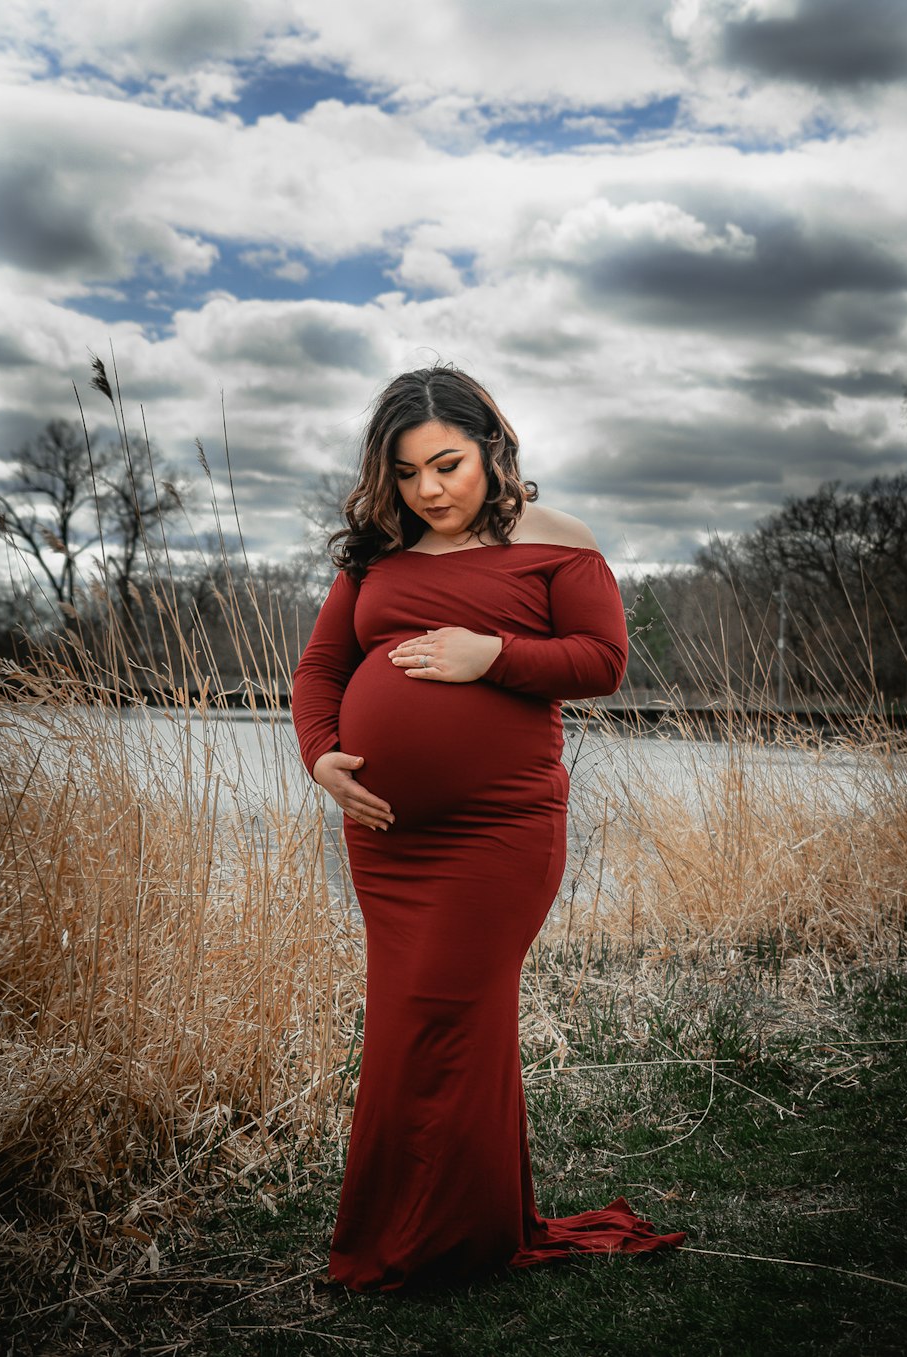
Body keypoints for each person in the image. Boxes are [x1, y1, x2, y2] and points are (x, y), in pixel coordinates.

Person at [292, 365, 684, 1292]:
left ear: (492, 448)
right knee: (415, 1024)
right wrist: (321, 756)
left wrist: (492, 654)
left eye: (448, 464)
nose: (430, 490)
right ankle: (458, 1230)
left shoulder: (559, 542)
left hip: (498, 830)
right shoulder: (374, 557)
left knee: (441, 1013)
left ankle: (430, 1245)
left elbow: (602, 662)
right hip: (390, 838)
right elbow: (319, 671)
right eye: (408, 473)